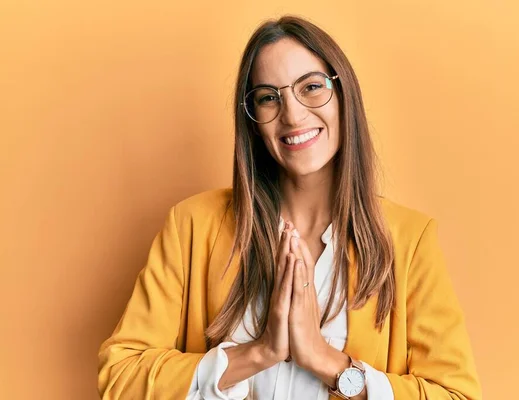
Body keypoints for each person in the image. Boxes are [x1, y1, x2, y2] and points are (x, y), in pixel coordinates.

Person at [98, 15, 481, 400]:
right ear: (253, 122)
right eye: (268, 97)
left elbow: (456, 394)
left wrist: (324, 359)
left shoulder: (409, 242)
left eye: (312, 87)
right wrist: (259, 352)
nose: (293, 115)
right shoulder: (192, 225)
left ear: (344, 94)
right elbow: (120, 375)